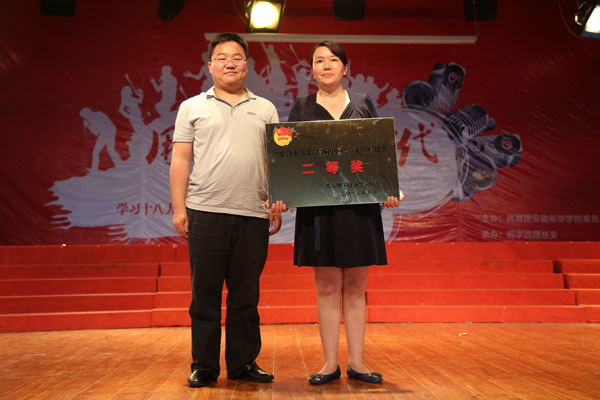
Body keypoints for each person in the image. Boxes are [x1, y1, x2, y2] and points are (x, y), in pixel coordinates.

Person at [270, 40, 403, 385]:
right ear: (311, 70)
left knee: (356, 286)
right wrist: (283, 194)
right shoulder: (301, 107)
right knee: (327, 287)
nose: (326, 66)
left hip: (359, 208)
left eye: (332, 60)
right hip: (318, 211)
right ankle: (330, 363)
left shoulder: (362, 103)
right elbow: (290, 159)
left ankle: (358, 362)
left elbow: (377, 152)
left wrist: (390, 188)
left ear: (345, 67)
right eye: (319, 61)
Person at [170, 32, 281, 388]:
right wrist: (179, 208)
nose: (229, 63)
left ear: (247, 65)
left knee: (246, 295)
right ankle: (204, 365)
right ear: (210, 65)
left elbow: (275, 159)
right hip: (205, 212)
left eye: (236, 57)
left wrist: (277, 200)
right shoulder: (192, 107)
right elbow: (180, 159)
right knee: (204, 295)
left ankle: (243, 362)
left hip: (253, 213)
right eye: (222, 57)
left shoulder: (265, 108)